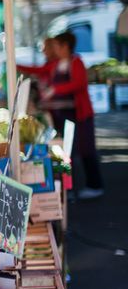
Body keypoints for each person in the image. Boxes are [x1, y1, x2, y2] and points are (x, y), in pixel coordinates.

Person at [18, 32, 103, 198]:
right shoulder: (56, 64)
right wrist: (17, 65)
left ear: (65, 46)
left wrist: (56, 89)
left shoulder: (76, 62)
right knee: (67, 153)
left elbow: (79, 84)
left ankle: (95, 185)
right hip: (62, 115)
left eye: (57, 45)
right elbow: (39, 70)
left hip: (79, 115)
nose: (54, 49)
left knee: (86, 150)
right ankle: (68, 189)